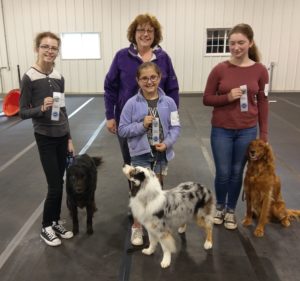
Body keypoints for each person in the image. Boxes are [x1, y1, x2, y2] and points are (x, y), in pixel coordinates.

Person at [203, 23, 269, 230]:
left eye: (241, 42)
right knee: (222, 172)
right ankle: (220, 207)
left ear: (250, 43)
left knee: (236, 171)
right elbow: (206, 98)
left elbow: (263, 101)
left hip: (247, 130)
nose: (236, 47)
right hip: (221, 129)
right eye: (232, 43)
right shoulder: (219, 69)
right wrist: (227, 97)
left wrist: (263, 133)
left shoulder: (260, 70)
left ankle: (231, 210)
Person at [104, 13, 179, 170]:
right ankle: (135, 193)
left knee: (158, 164)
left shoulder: (164, 58)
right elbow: (110, 86)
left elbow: (172, 89)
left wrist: (173, 117)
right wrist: (110, 116)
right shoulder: (121, 56)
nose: (145, 34)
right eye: (141, 30)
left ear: (155, 35)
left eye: (150, 31)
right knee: (132, 165)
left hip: (158, 121)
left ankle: (155, 193)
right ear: (134, 33)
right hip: (128, 122)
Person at [20, 31, 74, 246]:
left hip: (62, 136)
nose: (50, 51)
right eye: (45, 47)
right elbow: (22, 112)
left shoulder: (59, 77)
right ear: (37, 49)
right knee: (54, 185)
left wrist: (69, 137)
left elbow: (63, 110)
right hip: (45, 138)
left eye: (54, 48)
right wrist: (41, 108)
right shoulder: (29, 77)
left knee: (59, 183)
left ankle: (54, 220)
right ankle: (45, 227)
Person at [118, 62, 180, 245]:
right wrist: (142, 125)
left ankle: (154, 223)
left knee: (157, 189)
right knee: (138, 192)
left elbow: (176, 127)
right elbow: (122, 129)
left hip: (161, 154)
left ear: (159, 78)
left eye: (153, 77)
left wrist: (167, 143)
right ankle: (137, 227)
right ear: (138, 81)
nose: (149, 81)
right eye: (144, 78)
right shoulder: (131, 104)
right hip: (140, 154)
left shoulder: (169, 102)